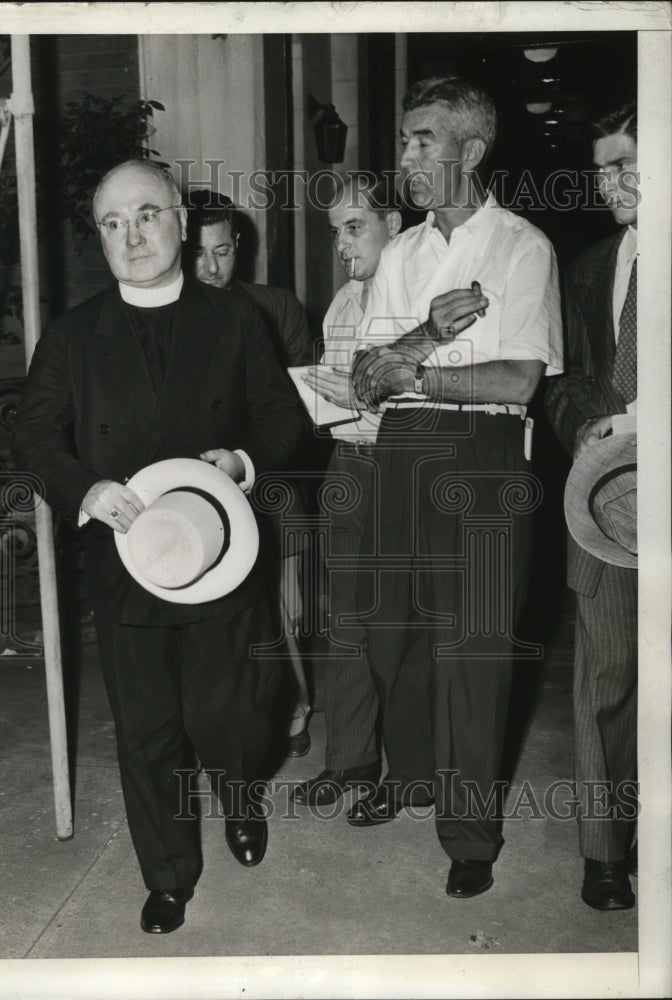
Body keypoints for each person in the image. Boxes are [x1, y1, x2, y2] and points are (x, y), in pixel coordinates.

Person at [10, 160, 302, 934]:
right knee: (147, 729)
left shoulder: (235, 318)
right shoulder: (74, 336)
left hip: (221, 550)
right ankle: (169, 874)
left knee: (230, 715)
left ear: (179, 217)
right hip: (128, 555)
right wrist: (83, 489)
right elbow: (33, 433)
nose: (131, 235)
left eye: (145, 215)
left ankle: (241, 791)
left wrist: (243, 462)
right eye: (112, 223)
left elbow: (282, 417)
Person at [349, 77, 563, 898]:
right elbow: (369, 382)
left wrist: (421, 374)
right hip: (402, 447)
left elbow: (518, 380)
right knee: (394, 630)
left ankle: (470, 831)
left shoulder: (521, 247)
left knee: (473, 647)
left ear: (470, 151)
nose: (406, 156)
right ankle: (409, 775)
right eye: (405, 140)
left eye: (423, 140)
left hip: (484, 455)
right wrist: (426, 334)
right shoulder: (400, 253)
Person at [544, 101, 639, 911]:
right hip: (604, 502)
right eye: (603, 166)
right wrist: (586, 424)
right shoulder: (588, 268)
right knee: (604, 677)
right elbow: (562, 382)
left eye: (627, 162)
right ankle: (605, 855)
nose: (610, 182)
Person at [186, 188, 314, 756]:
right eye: (198, 253)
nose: (211, 269)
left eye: (223, 252)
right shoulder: (165, 316)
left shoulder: (274, 306)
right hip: (189, 492)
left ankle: (296, 705)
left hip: (269, 483)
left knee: (287, 612)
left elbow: (304, 407)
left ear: (238, 247)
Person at [292, 173, 402, 808]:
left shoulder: (416, 295)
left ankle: (409, 768)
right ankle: (351, 760)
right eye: (336, 232)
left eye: (355, 227)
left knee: (401, 623)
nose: (342, 244)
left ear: (394, 224)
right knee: (346, 621)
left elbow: (432, 399)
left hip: (403, 465)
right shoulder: (341, 303)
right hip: (347, 467)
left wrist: (362, 396)